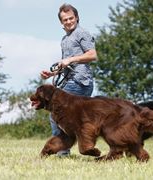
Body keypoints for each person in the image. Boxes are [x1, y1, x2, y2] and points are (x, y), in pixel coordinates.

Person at [40, 4, 97, 156]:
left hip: (80, 82)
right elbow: (67, 64)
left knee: (57, 113)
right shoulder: (65, 39)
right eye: (65, 19)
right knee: (64, 118)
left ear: (77, 17)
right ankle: (67, 149)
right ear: (61, 22)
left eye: (71, 18)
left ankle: (63, 151)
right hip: (68, 80)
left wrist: (71, 59)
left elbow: (92, 55)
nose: (69, 21)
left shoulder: (82, 33)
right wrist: (52, 74)